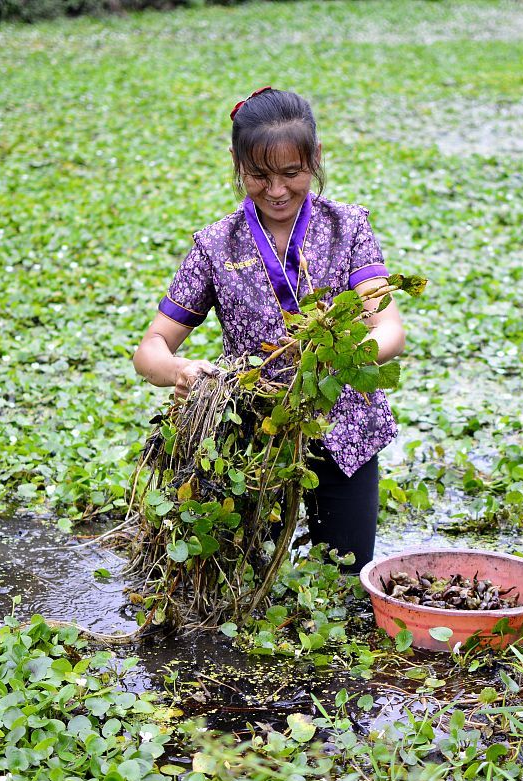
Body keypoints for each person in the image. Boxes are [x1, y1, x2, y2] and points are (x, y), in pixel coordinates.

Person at [132, 87, 405, 573]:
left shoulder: (349, 227)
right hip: (251, 442)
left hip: (344, 429)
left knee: (343, 576)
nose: (276, 190)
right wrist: (180, 368)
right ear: (237, 165)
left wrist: (341, 354)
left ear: (315, 158)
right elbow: (150, 349)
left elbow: (388, 330)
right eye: (258, 175)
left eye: (292, 173)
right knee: (243, 583)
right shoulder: (216, 244)